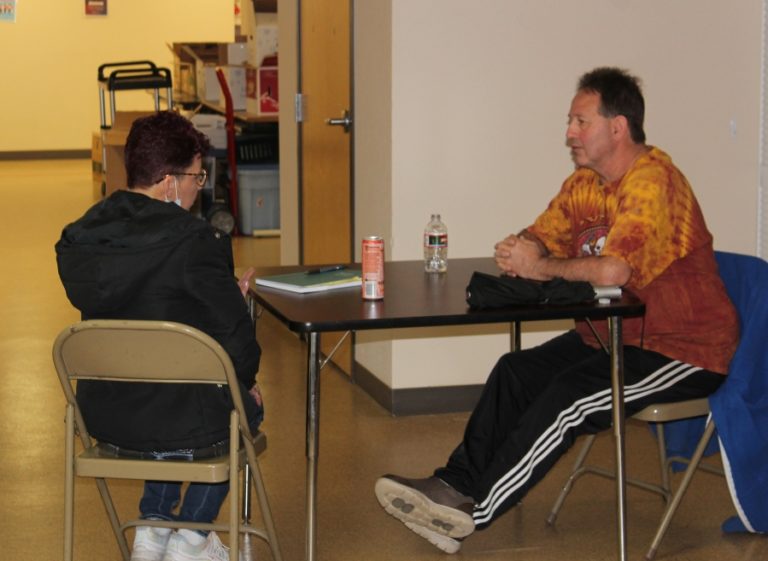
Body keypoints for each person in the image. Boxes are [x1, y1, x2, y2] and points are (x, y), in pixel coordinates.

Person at [374, 67, 740, 554]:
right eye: (570, 121)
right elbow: (542, 235)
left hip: (681, 351)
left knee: (568, 399)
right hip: (612, 337)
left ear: (618, 126)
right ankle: (451, 485)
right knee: (515, 371)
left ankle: (469, 514)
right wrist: (520, 248)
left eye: (580, 121)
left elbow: (614, 272)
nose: (569, 133)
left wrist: (542, 266)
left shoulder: (654, 183)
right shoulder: (585, 184)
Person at [56, 111, 262, 561]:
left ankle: (154, 525)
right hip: (179, 418)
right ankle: (191, 537)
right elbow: (239, 350)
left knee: (171, 395)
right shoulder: (194, 240)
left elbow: (140, 308)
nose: (198, 187)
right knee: (237, 405)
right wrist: (230, 303)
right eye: (195, 176)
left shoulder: (79, 238)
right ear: (169, 182)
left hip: (104, 413)